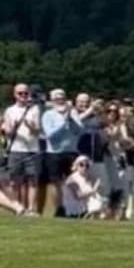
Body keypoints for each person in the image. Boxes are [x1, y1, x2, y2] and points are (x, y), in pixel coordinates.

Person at [41, 88, 83, 217]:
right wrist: (63, 123)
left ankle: (76, 209)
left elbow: (79, 131)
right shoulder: (48, 115)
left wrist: (71, 120)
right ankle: (59, 208)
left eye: (63, 98)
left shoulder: (73, 113)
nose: (60, 101)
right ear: (52, 100)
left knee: (74, 181)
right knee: (55, 182)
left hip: (71, 152)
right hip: (54, 153)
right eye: (57, 99)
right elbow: (50, 135)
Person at [2, 83, 43, 215]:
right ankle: (18, 208)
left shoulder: (34, 109)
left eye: (26, 93)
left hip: (32, 149)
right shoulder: (10, 110)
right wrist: (12, 128)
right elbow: (8, 132)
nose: (23, 96)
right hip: (16, 149)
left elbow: (37, 131)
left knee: (32, 180)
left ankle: (31, 209)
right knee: (15, 181)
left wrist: (30, 127)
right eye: (20, 93)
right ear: (15, 95)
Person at [62, 155, 105, 219]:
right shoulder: (72, 179)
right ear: (76, 166)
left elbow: (98, 192)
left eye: (87, 165)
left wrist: (98, 187)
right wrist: (93, 190)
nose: (84, 167)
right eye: (81, 165)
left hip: (84, 206)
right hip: (72, 208)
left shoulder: (90, 178)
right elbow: (78, 196)